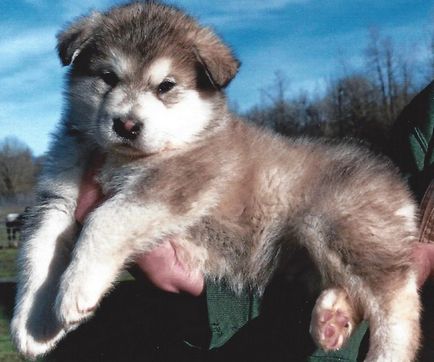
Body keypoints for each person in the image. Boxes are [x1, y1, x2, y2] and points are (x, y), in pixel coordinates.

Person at [62, 80, 434, 361]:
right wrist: (207, 289)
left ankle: (390, 333)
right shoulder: (424, 117)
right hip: (293, 278)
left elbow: (392, 237)